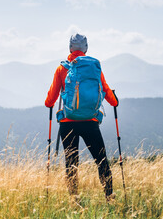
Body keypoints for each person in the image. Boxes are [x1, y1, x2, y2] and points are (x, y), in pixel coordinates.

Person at [45, 33, 118, 202]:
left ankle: (74, 200)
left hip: (67, 123)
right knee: (101, 160)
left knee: (71, 162)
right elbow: (105, 90)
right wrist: (115, 102)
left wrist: (48, 103)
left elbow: (50, 100)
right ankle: (109, 197)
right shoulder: (93, 67)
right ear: (86, 48)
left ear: (70, 48)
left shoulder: (62, 69)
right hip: (90, 122)